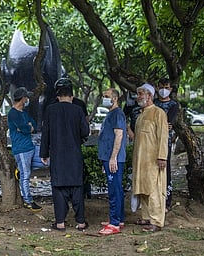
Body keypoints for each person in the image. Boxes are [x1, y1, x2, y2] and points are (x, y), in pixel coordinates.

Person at [40, 82, 90, 231]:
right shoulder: (77, 110)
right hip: (74, 155)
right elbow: (85, 132)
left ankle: (60, 223)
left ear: (58, 97)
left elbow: (45, 134)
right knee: (77, 188)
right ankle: (81, 222)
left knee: (58, 188)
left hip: (58, 155)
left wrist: (44, 153)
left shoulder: (50, 110)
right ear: (72, 97)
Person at [132, 83, 169, 232]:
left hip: (154, 159)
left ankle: (156, 221)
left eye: (141, 94)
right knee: (143, 189)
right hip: (141, 160)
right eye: (138, 94)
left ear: (149, 96)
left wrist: (162, 156)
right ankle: (147, 217)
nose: (138, 97)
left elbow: (163, 137)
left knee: (154, 189)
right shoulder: (141, 115)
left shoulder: (158, 113)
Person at [8, 87, 46, 212]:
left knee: (43, 162)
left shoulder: (24, 113)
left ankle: (19, 169)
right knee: (26, 175)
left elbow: (33, 125)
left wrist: (28, 127)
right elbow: (25, 128)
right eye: (26, 97)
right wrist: (27, 127)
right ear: (23, 99)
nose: (28, 100)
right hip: (21, 148)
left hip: (30, 146)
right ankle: (28, 201)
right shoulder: (13, 113)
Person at [53, 78, 92, 199]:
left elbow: (85, 124)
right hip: (66, 144)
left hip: (72, 143)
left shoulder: (79, 104)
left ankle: (85, 192)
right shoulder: (53, 105)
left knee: (78, 170)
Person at [97, 88, 127, 235]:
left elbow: (119, 135)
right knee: (117, 189)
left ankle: (114, 223)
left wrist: (113, 157)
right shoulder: (111, 114)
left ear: (115, 98)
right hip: (108, 158)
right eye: (103, 96)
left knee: (114, 190)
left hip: (113, 159)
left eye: (107, 96)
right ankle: (118, 219)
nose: (104, 98)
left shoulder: (118, 114)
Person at [154, 77, 179, 212]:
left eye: (167, 87)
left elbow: (168, 124)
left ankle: (167, 201)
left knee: (166, 170)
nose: (164, 90)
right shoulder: (154, 103)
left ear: (171, 89)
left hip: (166, 142)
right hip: (152, 142)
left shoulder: (174, 105)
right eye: (161, 87)